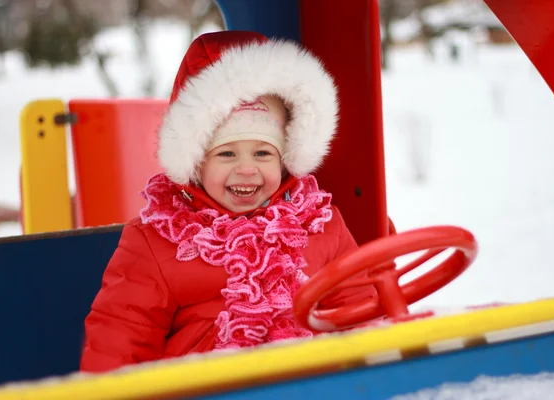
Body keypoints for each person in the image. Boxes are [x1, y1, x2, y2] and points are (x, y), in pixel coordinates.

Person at [80, 30, 375, 373]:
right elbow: (120, 338)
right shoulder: (157, 241)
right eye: (227, 153)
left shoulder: (319, 224)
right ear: (196, 161)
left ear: (284, 159)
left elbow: (361, 309)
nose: (246, 169)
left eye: (263, 152)